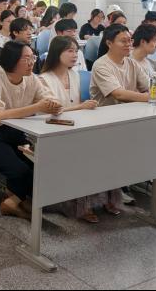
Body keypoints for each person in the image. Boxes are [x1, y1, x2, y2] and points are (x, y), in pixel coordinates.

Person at [0, 40, 60, 219]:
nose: (31, 63)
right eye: (26, 59)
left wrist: (52, 104)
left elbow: (47, 97)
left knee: (38, 167)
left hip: (16, 132)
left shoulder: (31, 77)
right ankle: (14, 201)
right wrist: (37, 107)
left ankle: (14, 199)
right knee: (20, 170)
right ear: (12, 60)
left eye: (32, 58)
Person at [40, 36, 119, 222]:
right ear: (56, 53)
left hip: (74, 126)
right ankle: (82, 205)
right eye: (69, 51)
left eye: (76, 51)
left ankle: (105, 198)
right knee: (85, 153)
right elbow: (48, 112)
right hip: (51, 130)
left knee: (107, 148)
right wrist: (81, 107)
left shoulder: (74, 75)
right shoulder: (44, 79)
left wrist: (83, 107)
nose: (75, 55)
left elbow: (75, 105)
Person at [91, 24, 156, 107]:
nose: (128, 44)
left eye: (130, 40)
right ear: (109, 43)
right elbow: (119, 94)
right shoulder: (101, 65)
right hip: (107, 113)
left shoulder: (132, 63)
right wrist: (154, 97)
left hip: (129, 110)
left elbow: (149, 85)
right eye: (123, 41)